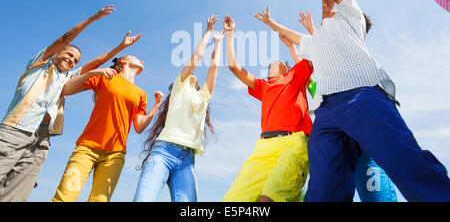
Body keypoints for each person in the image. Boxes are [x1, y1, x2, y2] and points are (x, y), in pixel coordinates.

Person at [269, 0, 450, 201]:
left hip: (363, 97)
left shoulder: (351, 18)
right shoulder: (316, 41)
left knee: (407, 163)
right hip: (326, 114)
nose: (328, 1)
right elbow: (290, 35)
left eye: (332, 0)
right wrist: (271, 23)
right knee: (324, 189)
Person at [0, 6, 140, 202]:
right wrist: (93, 18)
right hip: (15, 131)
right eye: (69, 55)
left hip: (41, 140)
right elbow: (64, 39)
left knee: (16, 195)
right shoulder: (39, 65)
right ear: (55, 54)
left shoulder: (66, 78)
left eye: (75, 60)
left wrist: (121, 47)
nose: (72, 60)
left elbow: (96, 63)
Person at [298, 9, 398, 202]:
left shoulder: (355, 54)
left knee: (377, 196)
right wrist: (311, 29)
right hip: (340, 141)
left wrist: (317, 24)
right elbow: (323, 45)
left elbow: (328, 41)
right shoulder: (320, 81)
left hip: (366, 143)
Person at [222, 15, 313, 202]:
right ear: (268, 72)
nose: (276, 62)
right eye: (272, 64)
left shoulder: (295, 76)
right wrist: (229, 34)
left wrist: (290, 45)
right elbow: (234, 66)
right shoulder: (263, 86)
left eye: (281, 63)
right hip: (264, 145)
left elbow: (313, 52)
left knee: (269, 199)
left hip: (293, 141)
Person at [133, 15, 222, 202]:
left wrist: (219, 41)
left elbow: (214, 66)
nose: (193, 74)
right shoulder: (179, 87)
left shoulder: (203, 96)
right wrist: (208, 31)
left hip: (187, 160)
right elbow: (197, 57)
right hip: (163, 152)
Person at [51, 53, 162, 202]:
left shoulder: (141, 94)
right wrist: (92, 73)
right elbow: (66, 89)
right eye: (136, 58)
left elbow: (139, 127)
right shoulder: (106, 77)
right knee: (65, 197)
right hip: (87, 148)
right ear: (123, 61)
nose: (141, 60)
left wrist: (157, 105)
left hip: (115, 155)